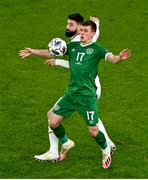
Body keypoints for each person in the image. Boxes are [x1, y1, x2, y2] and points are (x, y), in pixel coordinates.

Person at [20, 20, 131, 169]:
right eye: (82, 30)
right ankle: (66, 143)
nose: (82, 33)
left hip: (87, 97)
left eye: (86, 31)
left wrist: (119, 58)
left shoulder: (97, 49)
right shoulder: (72, 46)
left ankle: (105, 149)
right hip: (71, 95)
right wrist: (33, 51)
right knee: (52, 120)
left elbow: (112, 58)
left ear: (93, 33)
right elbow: (51, 52)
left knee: (93, 131)